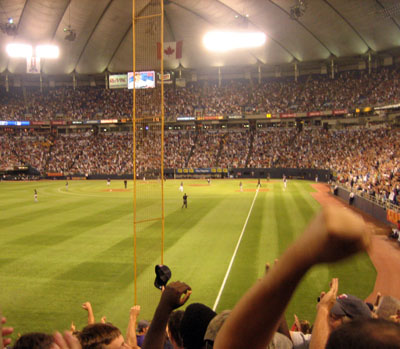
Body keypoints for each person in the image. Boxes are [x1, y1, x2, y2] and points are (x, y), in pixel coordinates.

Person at [213, 206, 371, 349]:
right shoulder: (310, 339)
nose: (328, 316)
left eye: (334, 316)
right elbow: (286, 341)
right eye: (331, 311)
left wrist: (298, 261)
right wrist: (275, 296)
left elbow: (234, 345)